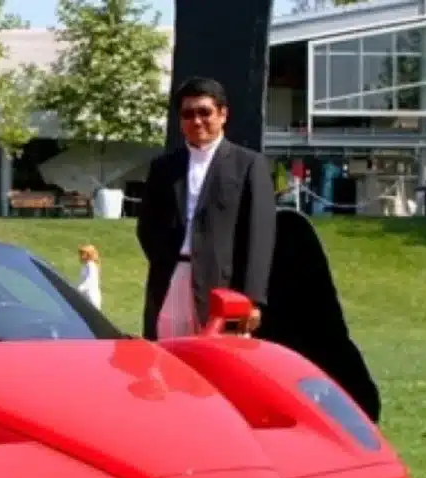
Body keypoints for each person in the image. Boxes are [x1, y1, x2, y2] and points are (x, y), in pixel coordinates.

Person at [136, 77, 277, 340]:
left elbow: (260, 237)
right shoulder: (163, 167)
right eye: (188, 114)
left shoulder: (247, 165)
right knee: (167, 360)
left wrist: (252, 298)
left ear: (223, 114)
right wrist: (165, 257)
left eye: (205, 112)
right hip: (170, 281)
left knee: (219, 365)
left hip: (223, 288)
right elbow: (147, 226)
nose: (197, 121)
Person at [76, 244, 102, 309]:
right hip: (86, 295)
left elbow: (90, 280)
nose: (80, 256)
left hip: (91, 296)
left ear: (88, 255)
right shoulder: (86, 265)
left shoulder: (91, 265)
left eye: (82, 254)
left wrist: (79, 289)